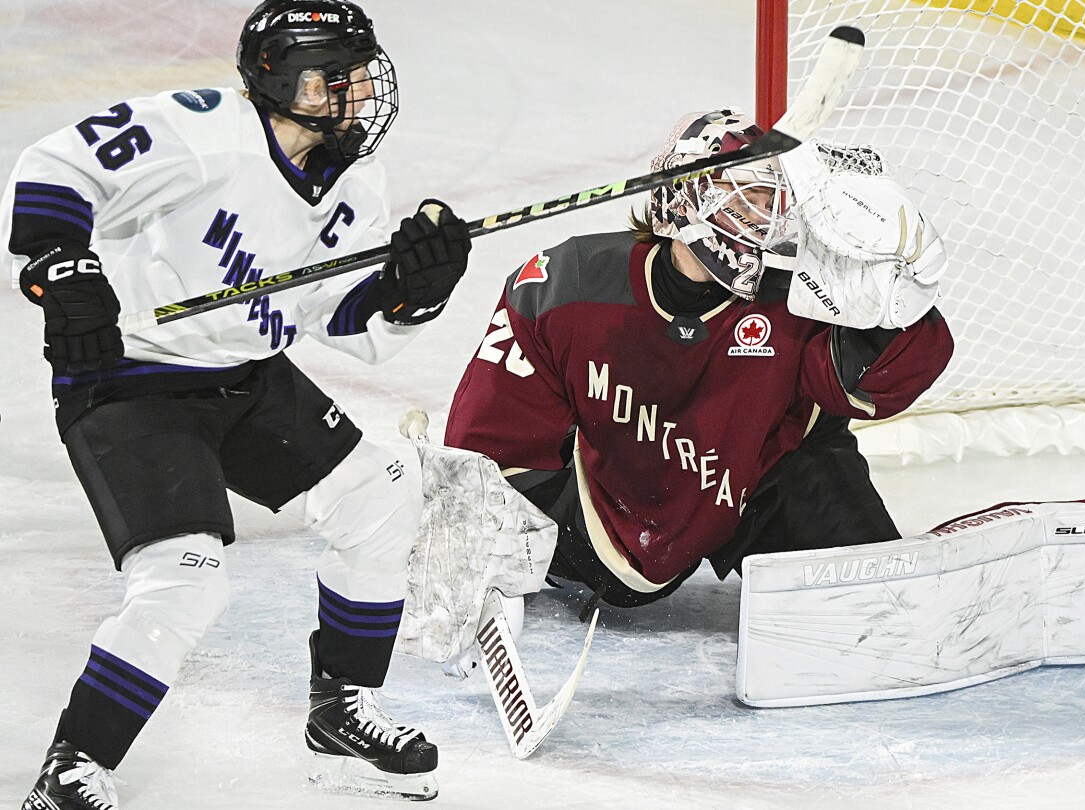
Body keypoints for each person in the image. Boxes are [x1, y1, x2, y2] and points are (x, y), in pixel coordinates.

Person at [5, 1, 468, 806]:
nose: (362, 90)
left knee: (380, 491)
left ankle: (342, 714)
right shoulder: (202, 131)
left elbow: (345, 322)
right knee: (187, 576)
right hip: (134, 383)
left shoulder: (354, 179)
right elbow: (56, 165)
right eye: (340, 75)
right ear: (284, 81)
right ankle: (71, 766)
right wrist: (62, 269)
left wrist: (409, 291)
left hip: (248, 376)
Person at [444, 110, 954, 615]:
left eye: (777, 201)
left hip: (752, 487)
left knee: (878, 602)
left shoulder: (797, 300)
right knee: (486, 505)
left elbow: (876, 385)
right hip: (592, 519)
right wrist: (475, 545)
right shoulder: (565, 285)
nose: (773, 219)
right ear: (684, 198)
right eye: (751, 196)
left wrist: (899, 302)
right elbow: (485, 445)